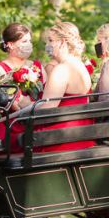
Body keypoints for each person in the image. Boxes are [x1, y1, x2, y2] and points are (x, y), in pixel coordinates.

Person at [34, 22, 94, 153]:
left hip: (62, 135)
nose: (47, 44)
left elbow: (47, 109)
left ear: (62, 42)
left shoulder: (61, 69)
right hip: (83, 132)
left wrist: (27, 111)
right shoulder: (80, 65)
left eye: (51, 40)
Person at [0, 23, 44, 151]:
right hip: (14, 122)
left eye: (30, 41)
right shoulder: (0, 69)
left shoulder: (37, 66)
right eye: (24, 41)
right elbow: (14, 105)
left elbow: (46, 95)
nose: (29, 45)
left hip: (39, 119)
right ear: (10, 44)